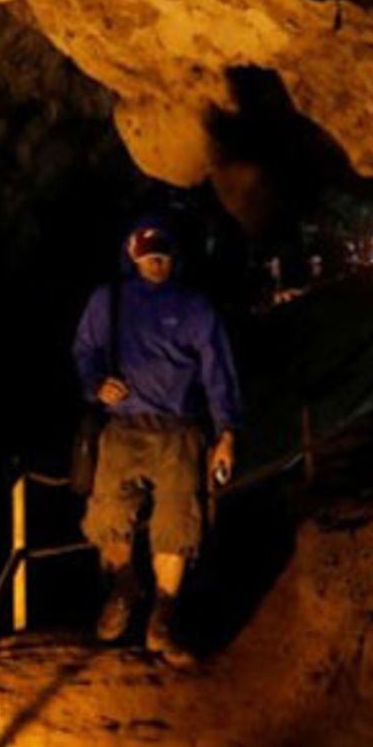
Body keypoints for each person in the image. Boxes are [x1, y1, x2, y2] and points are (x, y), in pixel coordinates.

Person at [72, 213, 241, 665]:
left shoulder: (195, 307)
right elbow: (84, 350)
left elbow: (218, 371)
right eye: (148, 255)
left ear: (175, 255)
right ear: (132, 255)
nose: (156, 261)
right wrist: (95, 384)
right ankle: (124, 588)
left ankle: (163, 619)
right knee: (109, 514)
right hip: (123, 427)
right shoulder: (109, 301)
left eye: (162, 254)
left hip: (179, 429)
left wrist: (226, 433)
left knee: (177, 523)